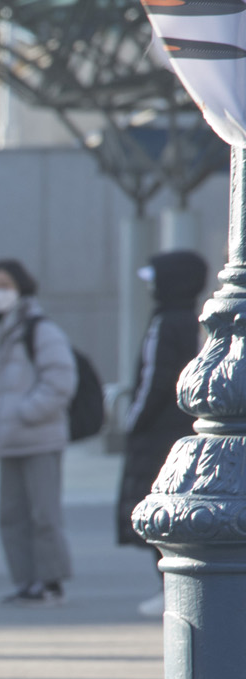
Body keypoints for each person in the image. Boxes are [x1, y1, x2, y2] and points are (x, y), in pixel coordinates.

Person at [0, 259, 77, 604]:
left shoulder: (39, 329)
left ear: (21, 287)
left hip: (39, 437)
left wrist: (24, 413)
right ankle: (25, 581)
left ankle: (51, 580)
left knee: (43, 514)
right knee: (11, 515)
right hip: (5, 440)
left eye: (5, 285)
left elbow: (61, 380)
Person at [118, 250, 208, 616]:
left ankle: (168, 584)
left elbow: (153, 380)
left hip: (157, 433)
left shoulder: (165, 322)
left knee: (156, 506)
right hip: (182, 429)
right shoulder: (191, 319)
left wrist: (131, 422)